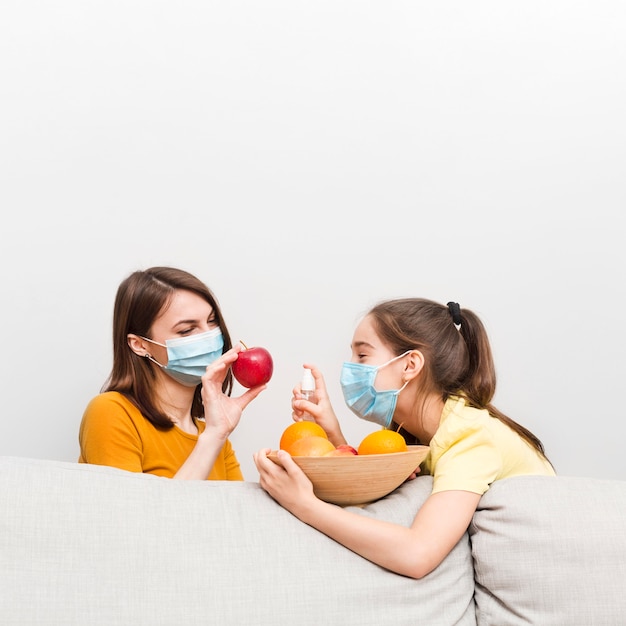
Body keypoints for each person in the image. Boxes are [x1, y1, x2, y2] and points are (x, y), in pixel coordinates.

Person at [254, 298, 555, 579]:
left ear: (410, 365)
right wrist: (332, 433)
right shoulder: (415, 434)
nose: (350, 368)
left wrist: (304, 505)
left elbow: (417, 554)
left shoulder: (470, 437)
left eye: (362, 354)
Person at [79, 266, 266, 480]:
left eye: (212, 321)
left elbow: (235, 513)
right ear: (140, 345)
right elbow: (134, 512)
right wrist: (214, 436)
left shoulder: (213, 435)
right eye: (187, 330)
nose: (210, 337)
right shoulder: (111, 412)